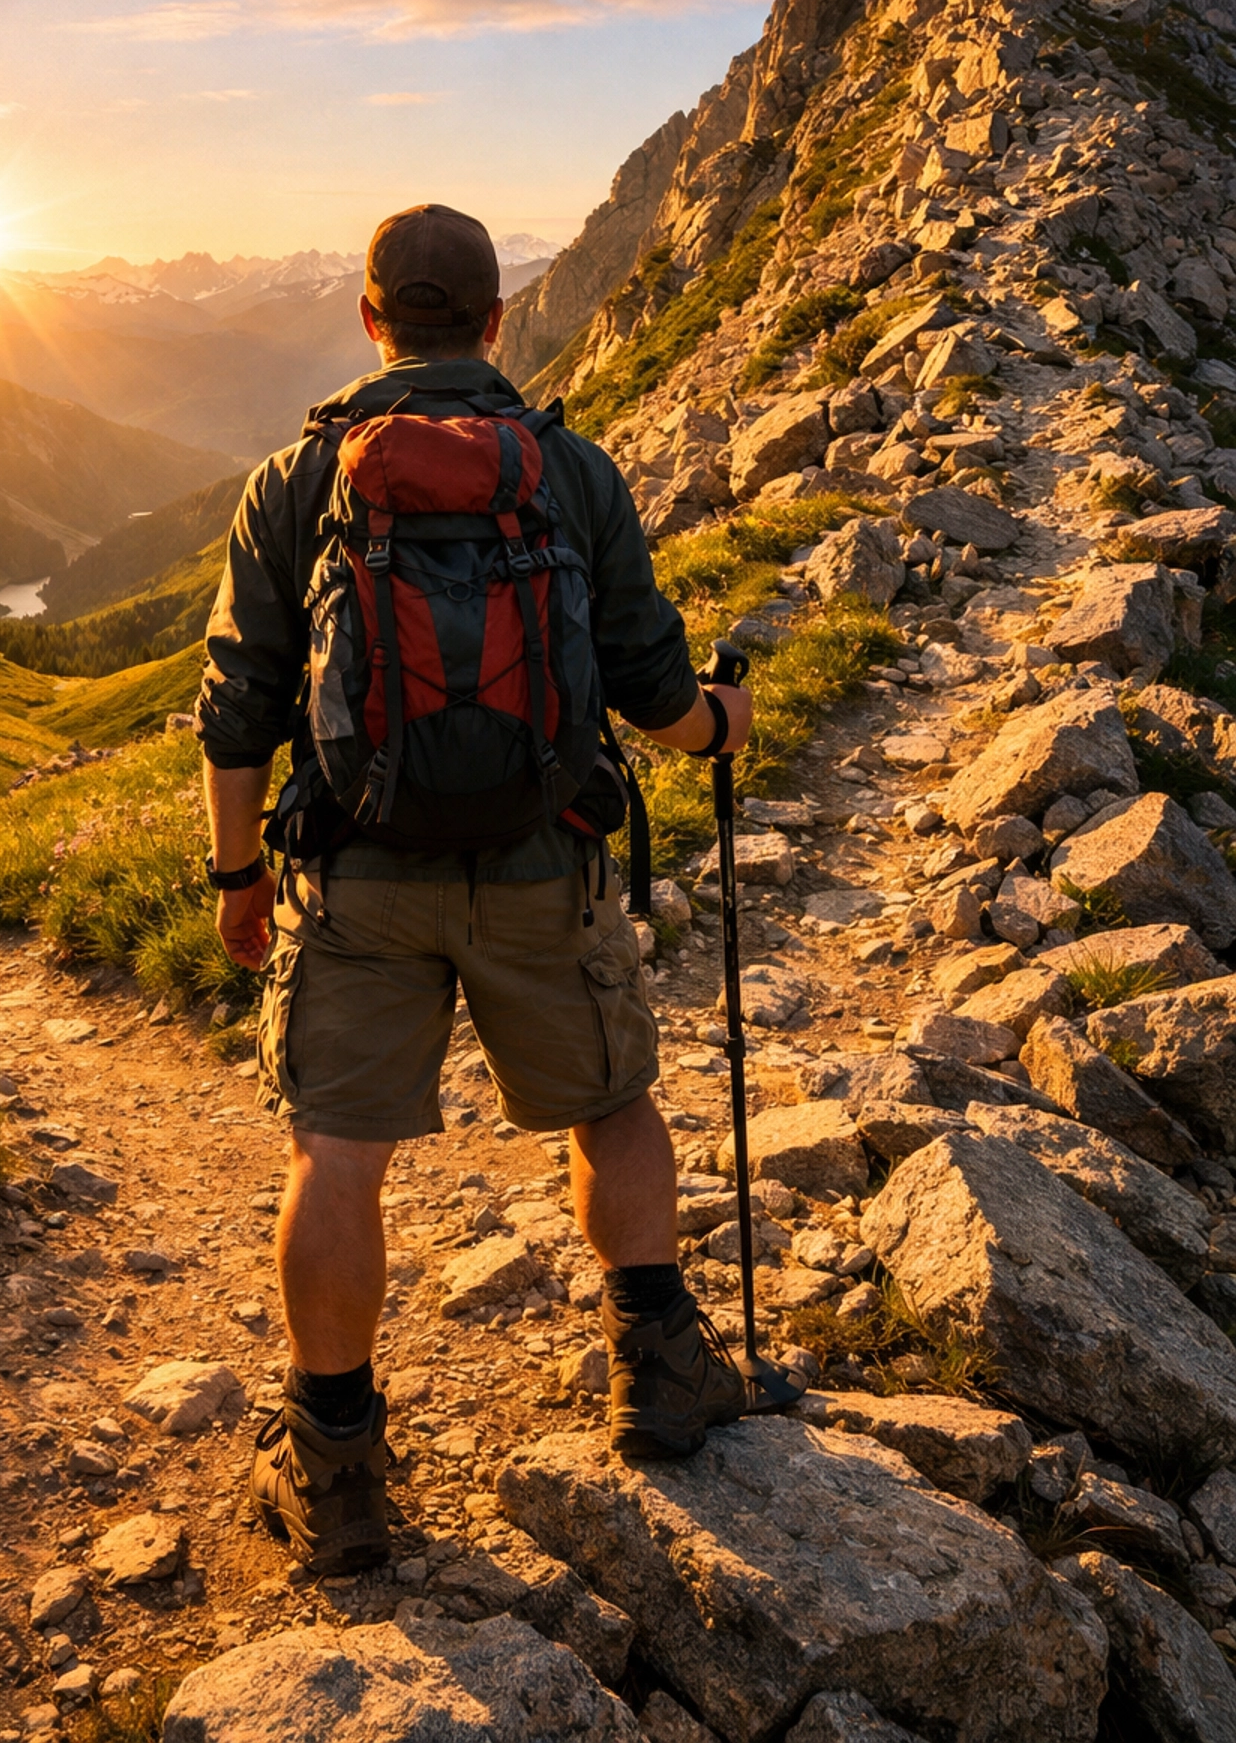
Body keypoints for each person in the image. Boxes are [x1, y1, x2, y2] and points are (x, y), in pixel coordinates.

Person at [195, 202, 797, 1575]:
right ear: (498, 319)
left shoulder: (296, 480)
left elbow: (234, 710)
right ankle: (658, 1377)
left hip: (359, 873)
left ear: (367, 318)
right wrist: (724, 724)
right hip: (542, 861)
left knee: (336, 1156)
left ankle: (337, 1476)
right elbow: (651, 696)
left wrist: (238, 879)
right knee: (609, 1102)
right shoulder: (570, 470)